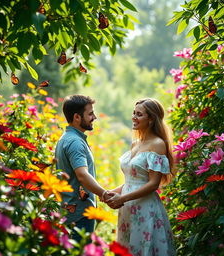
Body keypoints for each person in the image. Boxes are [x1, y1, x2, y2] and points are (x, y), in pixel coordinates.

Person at [106, 98, 176, 256]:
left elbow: (153, 184)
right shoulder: (135, 143)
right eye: (133, 113)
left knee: (143, 249)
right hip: (127, 209)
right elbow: (131, 181)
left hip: (145, 208)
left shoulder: (157, 144)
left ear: (151, 119)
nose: (134, 117)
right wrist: (111, 192)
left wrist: (122, 198)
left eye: (139, 114)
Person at [55, 94, 113, 242]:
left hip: (70, 212)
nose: (94, 117)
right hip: (79, 215)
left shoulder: (66, 138)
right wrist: (104, 193)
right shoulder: (75, 142)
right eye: (90, 113)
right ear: (77, 117)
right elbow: (82, 175)